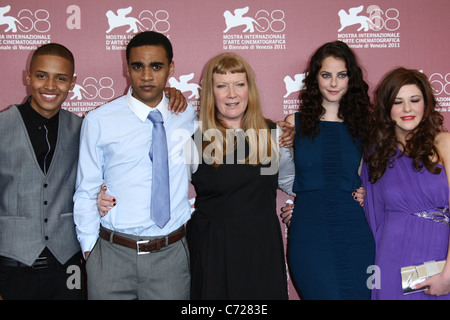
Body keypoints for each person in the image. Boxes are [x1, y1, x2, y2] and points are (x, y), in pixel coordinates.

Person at [98, 52, 296, 299]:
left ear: (250, 89)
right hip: (211, 251)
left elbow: (292, 183)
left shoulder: (273, 135)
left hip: (261, 249)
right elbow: (153, 179)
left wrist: (333, 195)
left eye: (239, 84)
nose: (232, 93)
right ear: (210, 93)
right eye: (222, 86)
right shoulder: (192, 138)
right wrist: (102, 195)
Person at [73, 31, 196, 299]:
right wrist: (89, 251)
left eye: (157, 66)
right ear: (127, 68)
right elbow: (86, 190)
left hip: (170, 256)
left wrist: (277, 132)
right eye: (138, 66)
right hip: (112, 256)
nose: (147, 76)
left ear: (171, 68)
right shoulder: (98, 121)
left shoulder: (186, 114)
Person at [282, 41, 375, 300]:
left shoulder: (363, 126)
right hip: (309, 233)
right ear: (315, 79)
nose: (334, 83)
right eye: (326, 75)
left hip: (354, 233)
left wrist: (365, 194)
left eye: (341, 75)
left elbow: (366, 177)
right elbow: (282, 175)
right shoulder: (294, 124)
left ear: (351, 79)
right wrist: (298, 205)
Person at [0, 43, 83, 300]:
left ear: (73, 82)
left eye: (60, 78)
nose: (50, 86)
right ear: (28, 77)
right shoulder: (2, 126)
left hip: (67, 263)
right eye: (41, 75)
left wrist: (167, 94)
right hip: (12, 263)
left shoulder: (84, 128)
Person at [362, 67, 450, 300]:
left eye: (414, 100)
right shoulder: (375, 155)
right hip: (392, 257)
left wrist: (448, 275)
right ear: (386, 108)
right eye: (398, 102)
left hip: (441, 256)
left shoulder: (444, 144)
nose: (407, 109)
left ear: (427, 104)